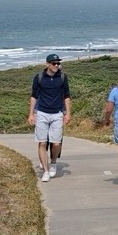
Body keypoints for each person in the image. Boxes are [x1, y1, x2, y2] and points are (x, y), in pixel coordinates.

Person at [28, 53, 72, 182]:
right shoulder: (39, 77)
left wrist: (67, 113)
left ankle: (53, 163)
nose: (57, 65)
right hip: (41, 112)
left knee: (56, 143)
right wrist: (31, 114)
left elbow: (67, 96)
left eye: (58, 63)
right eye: (54, 63)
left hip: (57, 113)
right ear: (47, 64)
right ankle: (46, 171)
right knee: (42, 142)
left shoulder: (63, 77)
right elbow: (34, 95)